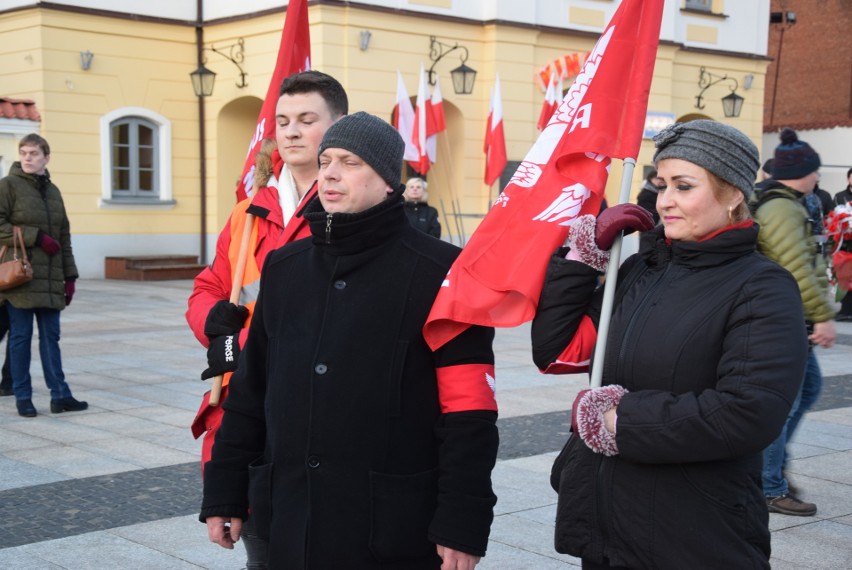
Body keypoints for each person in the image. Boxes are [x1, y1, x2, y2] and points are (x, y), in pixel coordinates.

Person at [200, 112, 499, 569]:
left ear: (388, 180)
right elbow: (249, 393)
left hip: (390, 526)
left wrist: (462, 518)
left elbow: (469, 415)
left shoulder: (444, 273)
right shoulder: (283, 267)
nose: (331, 173)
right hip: (291, 518)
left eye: (351, 161)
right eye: (326, 161)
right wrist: (225, 489)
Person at [532, 120, 807, 569]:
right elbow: (558, 349)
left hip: (693, 535)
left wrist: (619, 420)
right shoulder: (642, 269)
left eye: (684, 186)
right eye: (662, 185)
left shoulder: (763, 286)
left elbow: (748, 413)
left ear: (734, 193)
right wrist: (583, 259)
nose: (665, 201)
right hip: (607, 529)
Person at [187, 70, 348, 568]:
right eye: (283, 121)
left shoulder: (349, 208)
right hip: (250, 400)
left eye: (306, 119)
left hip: (321, 400)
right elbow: (210, 286)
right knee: (262, 542)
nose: (292, 131)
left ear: (338, 126)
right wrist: (213, 320)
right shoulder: (249, 213)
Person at [752, 128, 837, 516]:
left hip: (788, 315)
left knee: (806, 391)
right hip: (785, 317)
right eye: (815, 171)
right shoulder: (782, 207)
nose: (818, 177)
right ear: (802, 171)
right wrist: (820, 316)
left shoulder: (788, 202)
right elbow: (796, 268)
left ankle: (773, 470)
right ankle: (768, 485)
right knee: (785, 403)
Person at [0, 133, 85, 418]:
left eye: (33, 153)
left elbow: (64, 237)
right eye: (23, 152)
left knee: (51, 339)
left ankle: (60, 395)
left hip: (50, 280)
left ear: (46, 157)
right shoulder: (7, 186)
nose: (27, 157)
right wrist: (35, 237)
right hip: (19, 277)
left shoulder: (54, 192)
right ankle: (23, 397)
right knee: (20, 338)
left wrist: (70, 277)